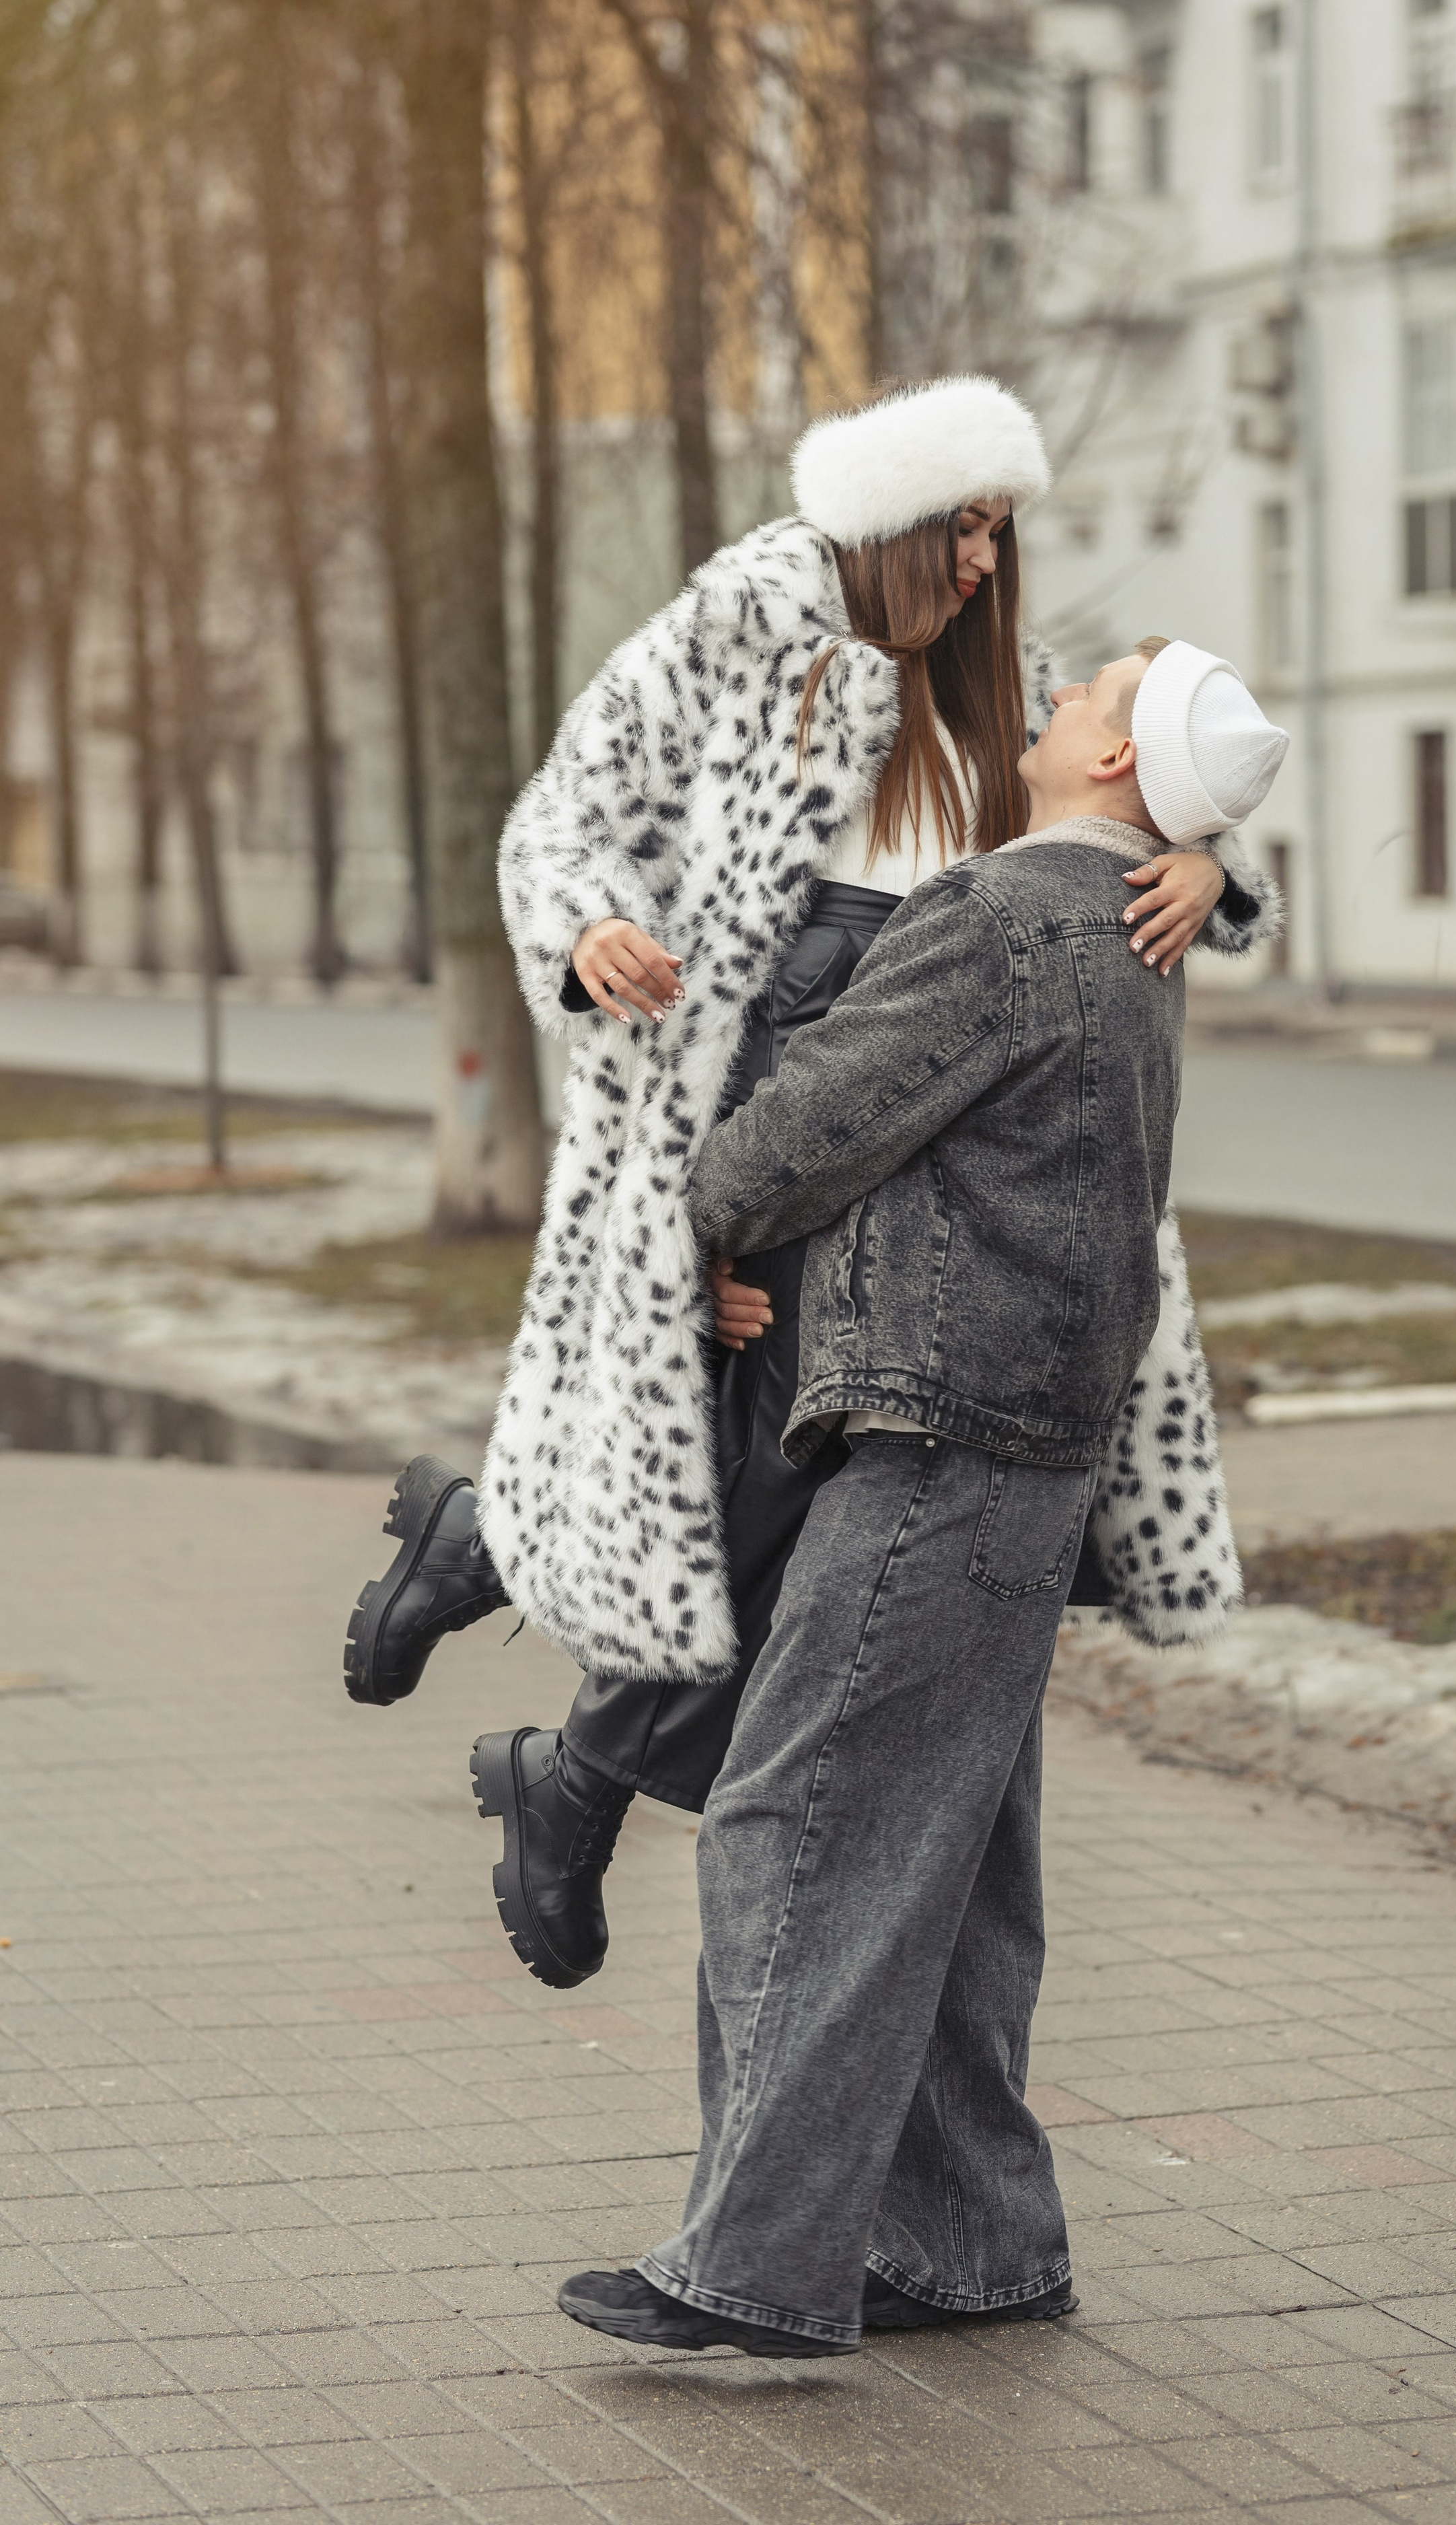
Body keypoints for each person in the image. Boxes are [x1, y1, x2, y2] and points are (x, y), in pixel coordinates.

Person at [342, 378, 1282, 1985]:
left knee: (781, 1504)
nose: (984, 566)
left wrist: (1209, 865)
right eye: (961, 529)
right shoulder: (722, 640)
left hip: (917, 1118)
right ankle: (548, 1737)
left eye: (998, 532)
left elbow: (1138, 787)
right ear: (884, 526)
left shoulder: (1016, 704)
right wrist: (581, 934)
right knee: (771, 1493)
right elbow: (557, 823)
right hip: (762, 1093)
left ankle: (512, 1628)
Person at [549, 638, 1288, 2356]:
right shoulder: (1126, 922)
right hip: (1028, 1433)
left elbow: (802, 1125)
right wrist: (1212, 860)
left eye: (1085, 702)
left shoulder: (1003, 916)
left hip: (937, 1425)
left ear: (1112, 767)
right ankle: (974, 2246)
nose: (1050, 711)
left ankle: (753, 2268)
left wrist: (684, 1236)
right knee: (944, 1856)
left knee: (793, 1822)